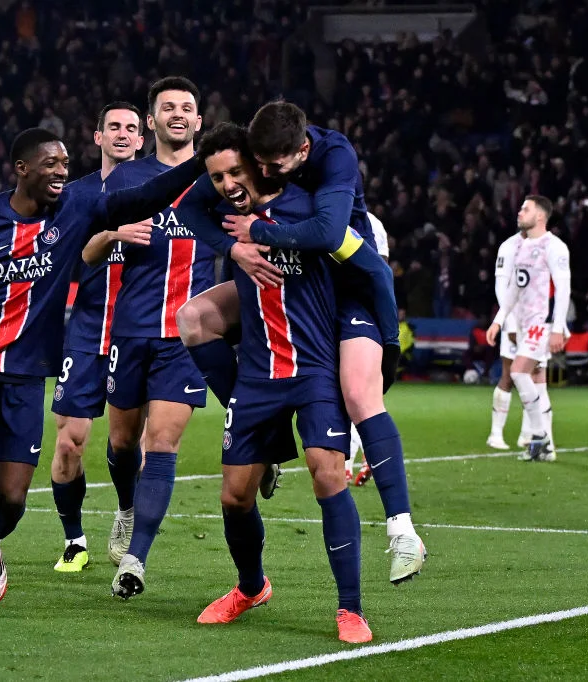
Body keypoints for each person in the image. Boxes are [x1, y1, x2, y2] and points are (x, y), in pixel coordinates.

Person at [0, 127, 203, 622]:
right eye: (51, 163)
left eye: (65, 163)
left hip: (27, 374)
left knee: (12, 499)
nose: (61, 171)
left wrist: (200, 163)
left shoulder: (76, 211)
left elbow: (143, 198)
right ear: (22, 169)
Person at [178, 103, 426, 585]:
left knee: (359, 394)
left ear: (302, 150)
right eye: (254, 164)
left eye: (266, 166)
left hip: (345, 276)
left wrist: (390, 343)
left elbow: (346, 247)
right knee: (194, 318)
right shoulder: (244, 174)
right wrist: (234, 247)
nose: (253, 175)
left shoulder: (329, 170)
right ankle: (263, 438)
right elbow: (188, 205)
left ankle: (402, 531)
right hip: (288, 282)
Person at [186, 125, 372, 642]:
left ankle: (350, 609)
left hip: (314, 368)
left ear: (257, 164)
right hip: (258, 374)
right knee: (234, 496)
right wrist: (233, 247)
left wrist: (380, 342)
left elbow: (361, 259)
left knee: (327, 475)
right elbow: (185, 210)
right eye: (218, 178)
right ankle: (251, 587)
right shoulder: (229, 219)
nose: (228, 185)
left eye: (235, 172)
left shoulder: (310, 211)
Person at [85, 77, 216, 599]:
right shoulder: (126, 178)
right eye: (168, 107)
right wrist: (114, 234)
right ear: (152, 121)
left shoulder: (217, 179)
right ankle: (125, 506)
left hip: (185, 337)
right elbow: (87, 252)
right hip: (131, 328)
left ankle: (135, 559)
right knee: (122, 442)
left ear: (199, 121)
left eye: (187, 107)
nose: (178, 114)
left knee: (161, 442)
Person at [49, 101, 145, 572]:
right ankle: (75, 540)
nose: (122, 134)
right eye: (114, 127)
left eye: (131, 128)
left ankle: (126, 511)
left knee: (126, 444)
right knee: (69, 442)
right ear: (98, 137)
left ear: (141, 139)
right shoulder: (74, 195)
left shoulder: (157, 190)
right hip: (86, 330)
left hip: (137, 331)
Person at [485, 196, 570, 462]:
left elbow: (563, 288)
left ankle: (538, 434)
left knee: (519, 372)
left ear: (540, 216)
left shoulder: (554, 246)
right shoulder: (520, 246)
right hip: (521, 325)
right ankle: (544, 445)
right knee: (536, 381)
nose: (520, 212)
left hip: (539, 324)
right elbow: (514, 288)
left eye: (526, 209)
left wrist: (558, 328)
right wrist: (499, 320)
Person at [486, 228, 552, 450]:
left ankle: (528, 434)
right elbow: (501, 287)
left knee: (535, 375)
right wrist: (510, 323)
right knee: (509, 374)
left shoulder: (544, 246)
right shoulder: (509, 247)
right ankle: (495, 434)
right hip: (515, 319)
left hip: (537, 322)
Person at [349, 210, 389, 485]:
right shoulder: (322, 212)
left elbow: (380, 271)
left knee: (355, 395)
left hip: (358, 318)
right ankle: (367, 456)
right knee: (358, 396)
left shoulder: (371, 224)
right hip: (357, 318)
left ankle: (351, 462)